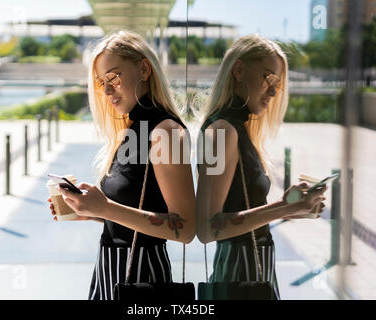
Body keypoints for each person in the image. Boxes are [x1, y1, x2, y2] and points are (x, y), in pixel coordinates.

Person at [47, 30, 195, 300]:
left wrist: (106, 207)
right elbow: (138, 208)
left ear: (144, 69)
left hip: (142, 276)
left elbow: (185, 229)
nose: (105, 90)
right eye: (101, 81)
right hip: (110, 271)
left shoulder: (165, 132)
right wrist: (91, 211)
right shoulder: (131, 129)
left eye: (113, 77)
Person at [196, 34, 327, 300]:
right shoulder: (223, 131)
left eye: (277, 84)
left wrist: (295, 207)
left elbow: (241, 209)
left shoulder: (237, 129)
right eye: (269, 78)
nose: (273, 91)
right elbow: (207, 229)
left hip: (252, 270)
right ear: (239, 70)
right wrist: (284, 207)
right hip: (239, 275)